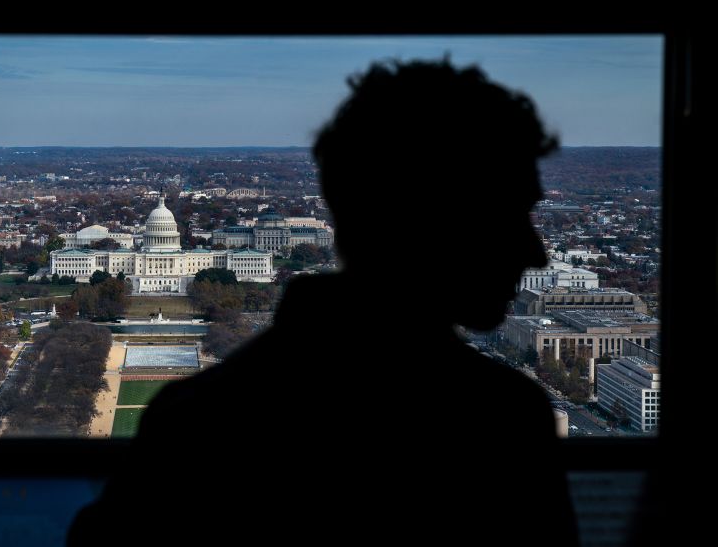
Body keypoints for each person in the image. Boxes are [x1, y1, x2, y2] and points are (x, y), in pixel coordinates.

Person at [68, 59, 578, 546]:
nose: (534, 250)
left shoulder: (193, 423)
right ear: (429, 220)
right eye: (510, 215)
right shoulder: (502, 420)